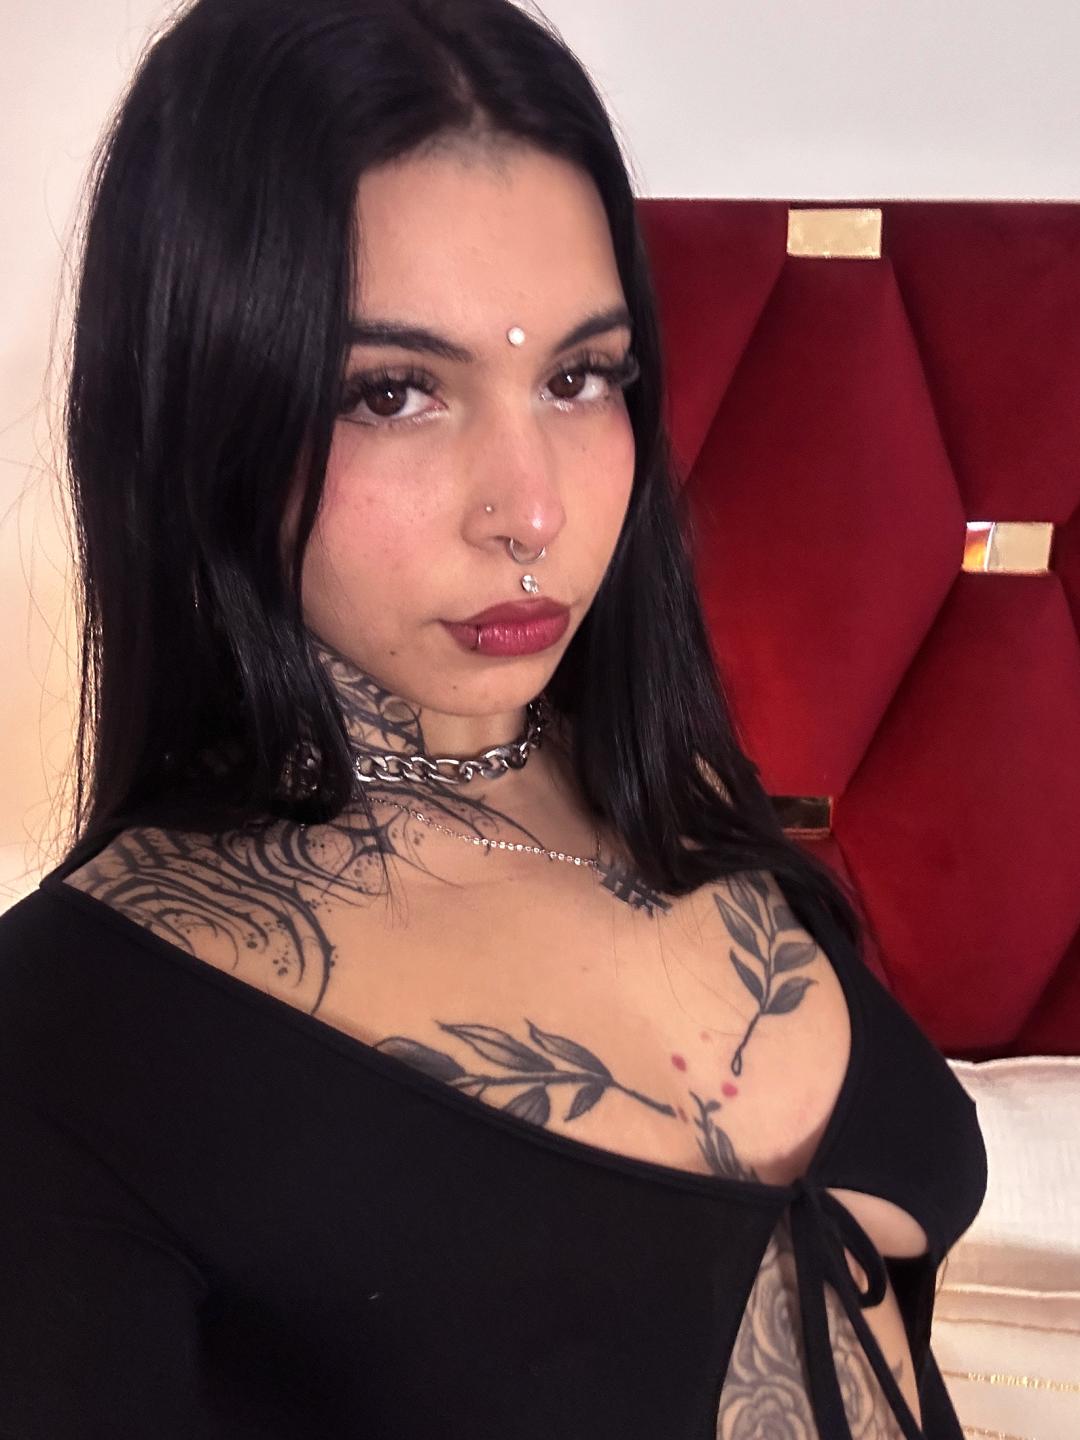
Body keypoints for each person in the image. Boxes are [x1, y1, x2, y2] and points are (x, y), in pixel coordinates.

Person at [0, 1, 987, 1436]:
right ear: (202, 409)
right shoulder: (73, 1046)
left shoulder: (675, 792)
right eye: (393, 392)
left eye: (579, 377)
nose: (530, 509)